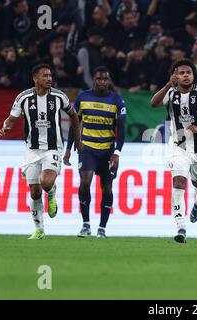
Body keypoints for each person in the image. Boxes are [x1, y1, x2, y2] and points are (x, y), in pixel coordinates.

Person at [0, 63, 82, 239]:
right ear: (35, 78)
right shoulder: (23, 97)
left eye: (50, 75)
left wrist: (78, 140)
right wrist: (6, 126)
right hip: (31, 149)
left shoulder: (59, 96)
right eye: (45, 76)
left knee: (46, 182)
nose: (49, 78)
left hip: (52, 147)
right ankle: (39, 229)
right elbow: (12, 118)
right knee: (35, 192)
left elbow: (74, 115)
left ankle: (51, 192)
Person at [150, 58, 197, 243]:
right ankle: (181, 227)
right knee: (179, 182)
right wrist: (168, 84)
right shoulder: (171, 93)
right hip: (178, 145)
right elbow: (153, 103)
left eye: (188, 72)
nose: (185, 75)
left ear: (193, 75)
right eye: (181, 73)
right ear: (175, 75)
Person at [63, 66, 126, 238]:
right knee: (85, 182)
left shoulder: (116, 101)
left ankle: (102, 228)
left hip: (107, 151)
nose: (102, 82)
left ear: (109, 81)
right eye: (99, 79)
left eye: (105, 79)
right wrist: (68, 148)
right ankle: (86, 225)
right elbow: (75, 125)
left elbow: (121, 130)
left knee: (107, 188)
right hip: (87, 148)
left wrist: (117, 153)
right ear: (94, 80)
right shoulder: (83, 97)